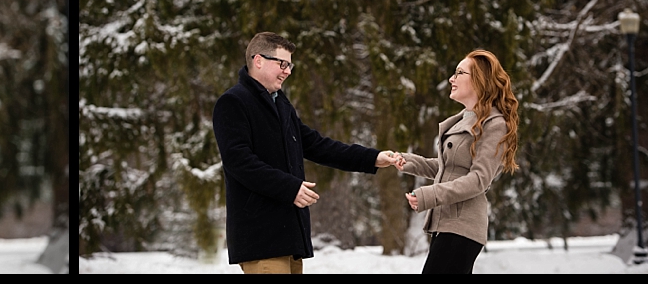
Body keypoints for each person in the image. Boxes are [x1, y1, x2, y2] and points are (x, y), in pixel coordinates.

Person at [212, 32, 401, 274]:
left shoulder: (281, 103)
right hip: (261, 239)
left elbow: (316, 145)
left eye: (290, 65)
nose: (288, 71)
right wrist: (290, 187)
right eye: (282, 64)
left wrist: (372, 158)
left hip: (289, 236)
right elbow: (239, 161)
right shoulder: (233, 102)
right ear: (258, 60)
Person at [394, 49, 520, 274]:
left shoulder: (495, 124)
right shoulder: (463, 120)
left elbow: (479, 180)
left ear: (479, 81)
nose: (451, 79)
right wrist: (409, 161)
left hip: (463, 226)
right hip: (447, 224)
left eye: (459, 73)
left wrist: (430, 195)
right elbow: (449, 168)